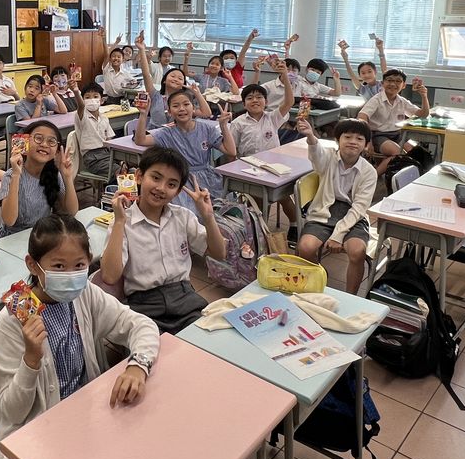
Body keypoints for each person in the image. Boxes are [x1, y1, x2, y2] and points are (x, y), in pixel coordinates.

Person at [0, 214, 159, 459]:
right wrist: (31, 360)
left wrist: (138, 366)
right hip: (33, 433)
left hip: (85, 414)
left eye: (79, 265)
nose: (70, 276)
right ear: (33, 265)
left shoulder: (84, 294)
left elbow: (141, 325)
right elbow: (13, 413)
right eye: (59, 266)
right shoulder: (12, 321)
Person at [100, 146, 227, 333]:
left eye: (171, 184)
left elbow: (219, 253)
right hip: (144, 306)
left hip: (185, 299)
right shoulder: (123, 222)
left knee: (206, 340)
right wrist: (119, 221)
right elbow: (110, 276)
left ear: (178, 191)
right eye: (156, 178)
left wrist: (208, 217)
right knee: (151, 347)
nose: (161, 188)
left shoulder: (182, 216)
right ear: (139, 176)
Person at [295, 117, 377, 295]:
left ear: (366, 145)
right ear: (337, 140)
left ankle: (350, 296)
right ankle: (318, 282)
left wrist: (338, 235)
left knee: (357, 251)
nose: (353, 142)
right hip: (324, 210)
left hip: (353, 215)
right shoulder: (328, 158)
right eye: (347, 137)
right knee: (306, 247)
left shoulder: (369, 172)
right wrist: (310, 136)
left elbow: (359, 208)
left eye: (359, 139)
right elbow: (316, 155)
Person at [134, 88, 236, 215]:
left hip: (207, 178)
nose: (181, 109)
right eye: (176, 106)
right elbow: (141, 140)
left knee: (221, 209)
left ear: (194, 108)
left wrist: (224, 126)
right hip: (180, 179)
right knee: (186, 213)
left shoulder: (206, 129)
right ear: (169, 112)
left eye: (186, 104)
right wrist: (143, 114)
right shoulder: (167, 133)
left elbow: (231, 151)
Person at [229, 60, 299, 239]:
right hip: (248, 168)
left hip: (274, 166)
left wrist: (284, 76)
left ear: (266, 102)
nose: (255, 100)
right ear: (244, 104)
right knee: (259, 199)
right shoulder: (238, 123)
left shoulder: (272, 118)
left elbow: (289, 101)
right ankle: (259, 232)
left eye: (259, 97)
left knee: (283, 196)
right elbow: (231, 150)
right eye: (250, 98)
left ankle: (294, 225)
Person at [0, 120, 78, 238]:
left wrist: (67, 177)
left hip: (40, 236)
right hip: (12, 237)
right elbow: (9, 220)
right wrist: (16, 175)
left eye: (51, 141)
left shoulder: (54, 174)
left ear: (56, 152)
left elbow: (71, 212)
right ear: (24, 142)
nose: (44, 144)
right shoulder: (10, 175)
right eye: (38, 138)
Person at [358, 70, 430, 176]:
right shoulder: (376, 99)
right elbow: (362, 116)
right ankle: (372, 177)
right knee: (398, 153)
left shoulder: (402, 101)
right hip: (378, 135)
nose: (393, 84)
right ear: (382, 83)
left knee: (415, 152)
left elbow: (423, 114)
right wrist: (368, 140)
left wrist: (424, 96)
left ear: (404, 85)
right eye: (389, 80)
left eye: (398, 81)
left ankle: (404, 175)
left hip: (397, 135)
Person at [135, 37, 210, 129]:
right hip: (154, 134)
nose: (175, 79)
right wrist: (142, 49)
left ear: (183, 84)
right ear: (164, 80)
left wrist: (197, 93)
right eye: (173, 76)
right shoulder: (155, 95)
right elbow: (146, 74)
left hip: (175, 135)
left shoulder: (184, 102)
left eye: (180, 78)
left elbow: (206, 113)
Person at [70, 80, 113, 178]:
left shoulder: (104, 118)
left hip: (106, 154)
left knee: (130, 168)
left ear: (102, 100)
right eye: (87, 97)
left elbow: (110, 140)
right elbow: (81, 106)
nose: (91, 100)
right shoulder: (82, 116)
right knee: (119, 172)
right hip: (92, 158)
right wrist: (76, 91)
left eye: (95, 96)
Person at [99, 29, 133, 104]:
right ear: (110, 59)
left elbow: (133, 80)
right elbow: (106, 54)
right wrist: (104, 39)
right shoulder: (106, 69)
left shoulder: (124, 72)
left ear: (123, 59)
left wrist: (132, 82)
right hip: (109, 99)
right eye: (113, 56)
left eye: (119, 57)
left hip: (122, 100)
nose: (116, 58)